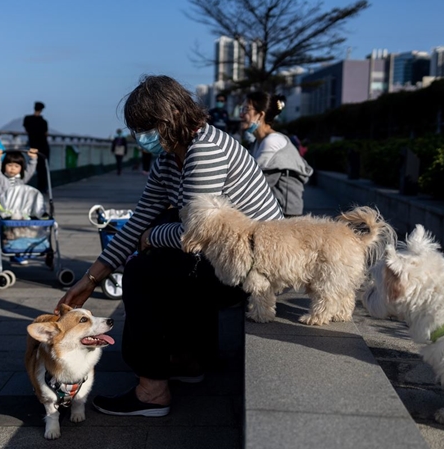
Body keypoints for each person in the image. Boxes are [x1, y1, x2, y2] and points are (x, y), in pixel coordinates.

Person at [55, 75, 283, 417]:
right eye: (137, 129)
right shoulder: (169, 156)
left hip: (256, 266)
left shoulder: (205, 149)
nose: (140, 137)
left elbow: (195, 233)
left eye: (146, 127)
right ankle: (188, 360)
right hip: (228, 256)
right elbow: (140, 218)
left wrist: (150, 239)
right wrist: (91, 279)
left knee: (142, 272)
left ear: (172, 117)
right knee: (160, 245)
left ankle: (152, 391)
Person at [241, 91, 313, 217]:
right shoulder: (258, 142)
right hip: (273, 211)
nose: (241, 114)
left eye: (246, 109)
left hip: (285, 215)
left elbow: (257, 183)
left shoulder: (272, 142)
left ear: (260, 115)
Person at [0, 148, 39, 265]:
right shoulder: (2, 180)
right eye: (10, 165)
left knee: (19, 234)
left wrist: (33, 158)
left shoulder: (21, 181)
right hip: (5, 214)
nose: (12, 168)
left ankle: (17, 253)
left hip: (19, 213)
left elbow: (30, 171)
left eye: (16, 166)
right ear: (4, 166)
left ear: (21, 169)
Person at [23, 102, 50, 194]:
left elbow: (26, 130)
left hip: (33, 146)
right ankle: (43, 187)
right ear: (42, 110)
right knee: (44, 168)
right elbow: (46, 134)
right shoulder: (43, 122)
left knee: (33, 166)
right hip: (43, 146)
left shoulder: (27, 119)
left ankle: (30, 186)